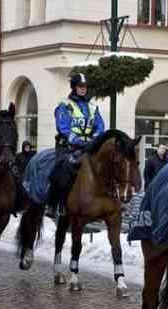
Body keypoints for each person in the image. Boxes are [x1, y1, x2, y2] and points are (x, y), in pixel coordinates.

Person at [50, 73, 105, 214]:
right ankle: (57, 204)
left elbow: (100, 125)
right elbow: (63, 126)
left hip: (89, 146)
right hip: (68, 146)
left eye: (85, 87)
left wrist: (95, 138)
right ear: (74, 87)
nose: (83, 89)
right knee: (61, 170)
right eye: (80, 86)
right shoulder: (65, 105)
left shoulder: (93, 107)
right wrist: (77, 140)